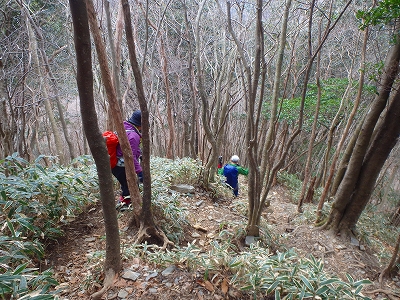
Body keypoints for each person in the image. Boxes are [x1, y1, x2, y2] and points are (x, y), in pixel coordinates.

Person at [112, 110, 143, 209]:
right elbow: (131, 157)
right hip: (121, 166)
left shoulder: (124, 127)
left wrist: (140, 154)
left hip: (115, 165)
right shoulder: (134, 136)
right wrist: (140, 172)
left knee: (126, 185)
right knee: (130, 187)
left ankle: (125, 204)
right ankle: (123, 207)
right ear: (140, 124)